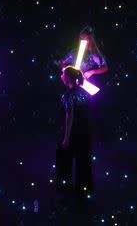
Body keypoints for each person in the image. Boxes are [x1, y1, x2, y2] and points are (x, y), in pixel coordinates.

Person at [55, 66, 92, 209]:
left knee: (64, 164)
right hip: (85, 133)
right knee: (83, 164)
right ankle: (83, 194)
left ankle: (65, 193)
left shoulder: (68, 95)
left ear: (68, 77)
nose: (61, 76)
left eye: (63, 74)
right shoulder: (84, 92)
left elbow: (70, 116)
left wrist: (66, 138)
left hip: (73, 134)